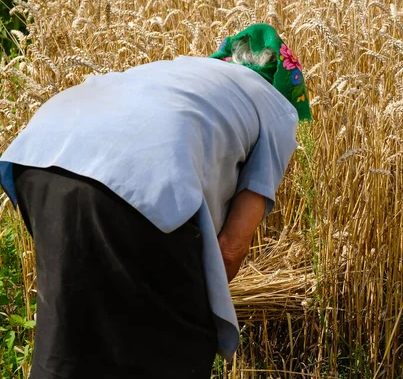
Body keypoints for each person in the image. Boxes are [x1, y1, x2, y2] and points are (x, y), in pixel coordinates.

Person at [0, 23, 311, 379]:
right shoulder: (278, 109)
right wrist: (195, 308)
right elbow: (231, 247)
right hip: (135, 181)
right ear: (285, 84)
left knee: (68, 334)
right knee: (171, 345)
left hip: (40, 158)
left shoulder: (184, 70)